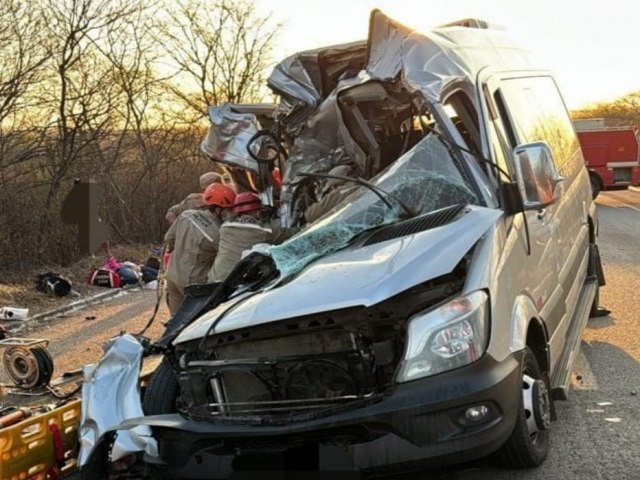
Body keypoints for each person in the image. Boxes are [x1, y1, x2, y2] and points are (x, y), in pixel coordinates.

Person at [164, 183, 236, 314]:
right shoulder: (218, 233)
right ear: (220, 209)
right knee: (192, 324)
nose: (231, 213)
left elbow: (168, 239)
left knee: (174, 322)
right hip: (192, 285)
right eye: (229, 209)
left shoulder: (186, 215)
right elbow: (226, 261)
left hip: (172, 277)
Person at [207, 192, 273, 283]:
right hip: (233, 285)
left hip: (213, 281)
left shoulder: (225, 227)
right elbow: (286, 233)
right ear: (257, 212)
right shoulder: (263, 231)